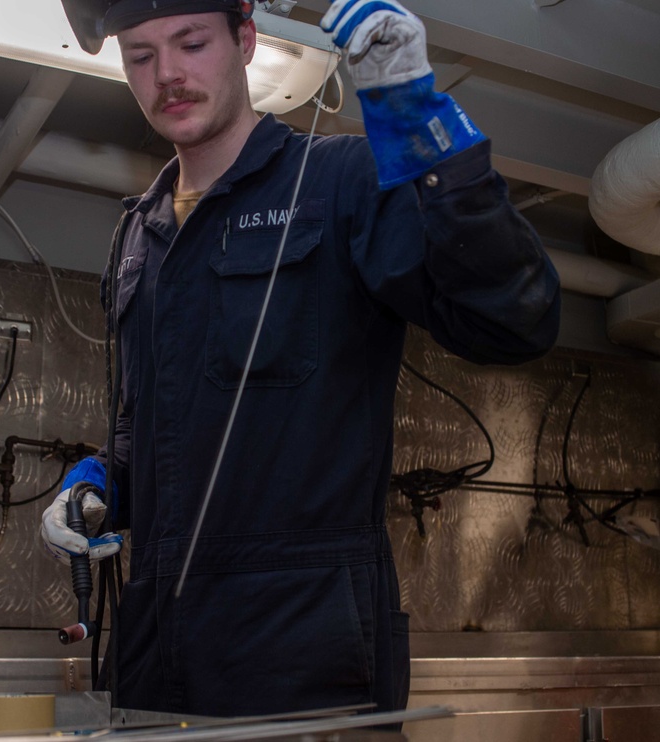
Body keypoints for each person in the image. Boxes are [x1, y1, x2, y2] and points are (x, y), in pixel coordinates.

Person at [40, 0, 561, 719]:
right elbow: (152, 428)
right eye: (141, 56)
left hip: (306, 654)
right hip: (156, 654)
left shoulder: (340, 182)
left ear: (246, 40)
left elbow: (515, 321)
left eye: (191, 43)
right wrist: (104, 483)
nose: (168, 75)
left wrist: (418, 119)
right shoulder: (141, 234)